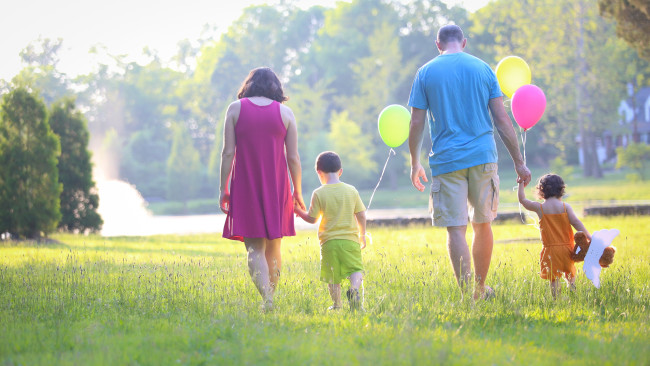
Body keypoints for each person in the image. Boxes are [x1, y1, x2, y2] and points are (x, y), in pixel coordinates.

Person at [407, 24, 532, 300]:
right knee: (483, 223)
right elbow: (502, 119)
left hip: (447, 160)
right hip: (482, 157)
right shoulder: (483, 69)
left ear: (437, 45)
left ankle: (467, 295)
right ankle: (479, 287)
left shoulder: (425, 73)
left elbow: (416, 122)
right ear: (463, 42)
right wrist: (519, 162)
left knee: (456, 228)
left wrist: (415, 161)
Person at [219, 67, 305, 311]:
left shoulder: (235, 109)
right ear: (276, 88)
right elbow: (294, 157)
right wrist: (297, 191)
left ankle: (267, 299)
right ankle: (270, 299)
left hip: (245, 184)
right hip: (277, 185)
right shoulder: (286, 113)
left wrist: (223, 188)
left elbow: (227, 152)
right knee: (274, 246)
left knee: (255, 247)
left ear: (248, 85)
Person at [293, 151, 367, 311]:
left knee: (333, 276)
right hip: (350, 241)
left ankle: (337, 305)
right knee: (356, 269)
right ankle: (354, 289)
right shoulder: (351, 190)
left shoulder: (318, 193)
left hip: (328, 243)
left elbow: (312, 219)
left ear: (319, 173)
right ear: (340, 171)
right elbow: (361, 215)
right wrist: (362, 234)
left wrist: (297, 211)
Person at [518, 174, 589, 298]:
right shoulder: (565, 207)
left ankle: (556, 300)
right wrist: (588, 237)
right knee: (570, 273)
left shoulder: (540, 208)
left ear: (541, 190)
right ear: (562, 189)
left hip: (551, 250)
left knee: (554, 278)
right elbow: (576, 222)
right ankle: (573, 293)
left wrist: (520, 185)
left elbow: (523, 201)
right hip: (567, 248)